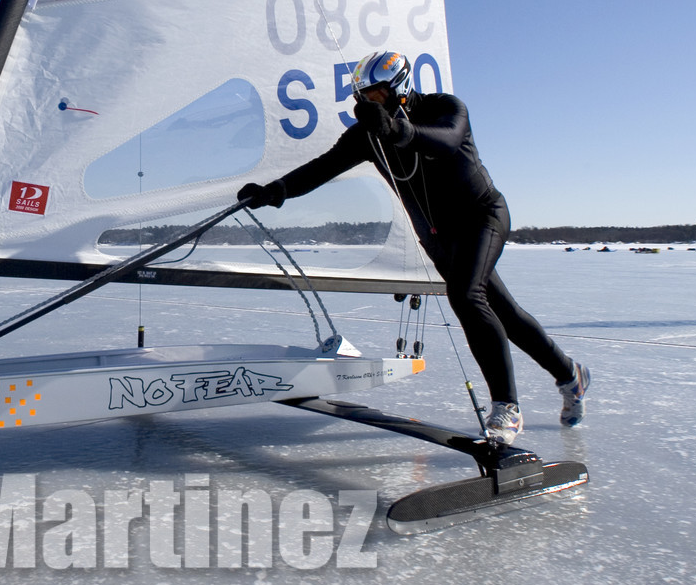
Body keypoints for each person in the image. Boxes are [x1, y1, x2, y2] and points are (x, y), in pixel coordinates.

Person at [236, 50, 589, 445]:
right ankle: (570, 374)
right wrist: (274, 192)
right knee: (503, 312)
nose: (371, 104)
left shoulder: (444, 108)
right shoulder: (369, 134)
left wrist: (396, 131)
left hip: (482, 216)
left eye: (378, 96)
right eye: (364, 98)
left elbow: (448, 140)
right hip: (439, 236)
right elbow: (322, 167)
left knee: (466, 296)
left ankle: (507, 408)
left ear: (400, 89)